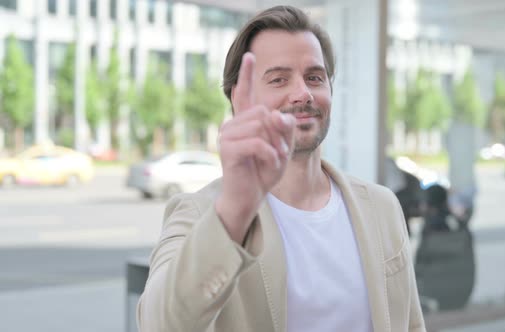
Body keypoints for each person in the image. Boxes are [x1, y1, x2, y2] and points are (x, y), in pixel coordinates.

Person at [137, 6, 425, 332]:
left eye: (314, 77)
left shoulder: (381, 206)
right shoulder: (199, 212)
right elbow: (158, 324)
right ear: (239, 99)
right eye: (279, 79)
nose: (303, 93)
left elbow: (412, 324)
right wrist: (234, 210)